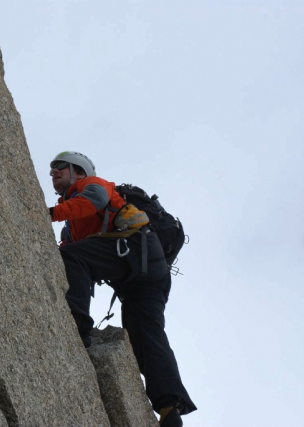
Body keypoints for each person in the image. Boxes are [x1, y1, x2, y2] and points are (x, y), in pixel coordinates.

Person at [48, 151, 196, 427]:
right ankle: (168, 407)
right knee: (145, 333)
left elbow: (96, 201)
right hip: (149, 274)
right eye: (51, 169)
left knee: (73, 256)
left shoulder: (91, 184)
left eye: (59, 166)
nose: (53, 172)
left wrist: (49, 214)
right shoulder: (72, 229)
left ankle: (77, 330)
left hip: (136, 248)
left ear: (79, 172)